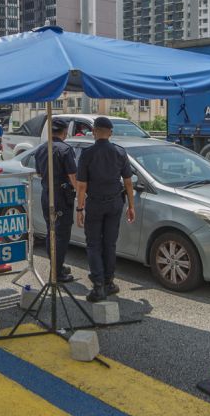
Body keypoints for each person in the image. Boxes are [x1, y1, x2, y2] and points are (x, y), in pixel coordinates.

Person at [75, 117, 135, 303]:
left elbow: (82, 185)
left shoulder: (87, 154)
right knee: (110, 243)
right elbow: (127, 182)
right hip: (115, 203)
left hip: (95, 204)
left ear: (93, 132)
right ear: (110, 132)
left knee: (93, 244)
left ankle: (98, 286)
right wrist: (132, 206)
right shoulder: (119, 152)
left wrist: (79, 208)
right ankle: (109, 282)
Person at [34, 118, 78, 283]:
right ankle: (57, 273)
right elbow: (73, 176)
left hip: (47, 195)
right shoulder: (65, 150)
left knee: (50, 232)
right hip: (62, 196)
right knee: (61, 235)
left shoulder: (41, 149)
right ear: (64, 132)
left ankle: (56, 266)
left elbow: (39, 173)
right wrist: (81, 194)